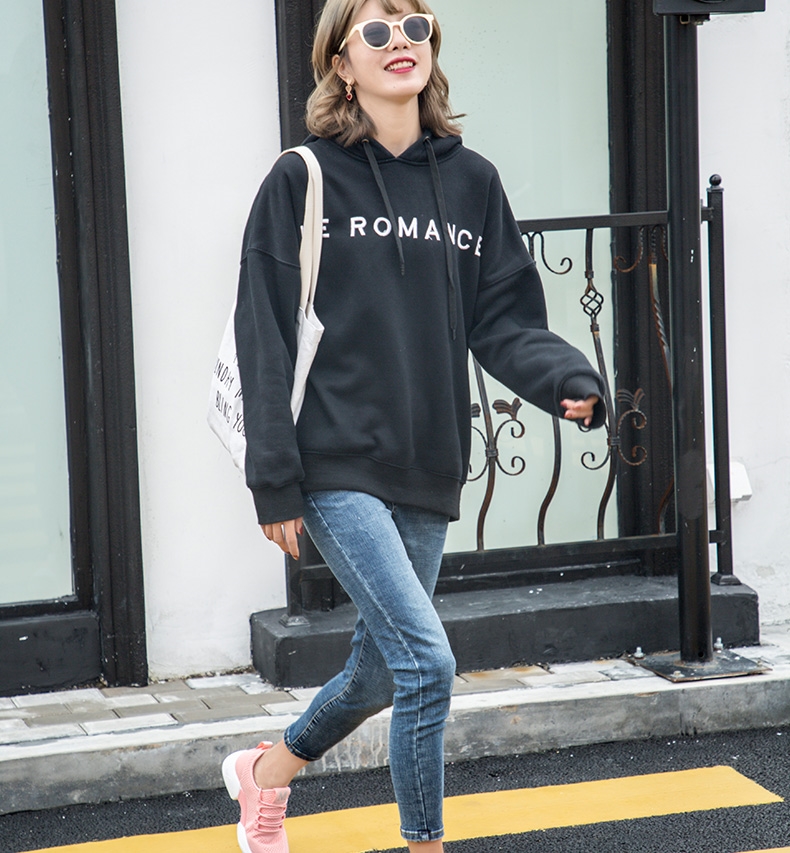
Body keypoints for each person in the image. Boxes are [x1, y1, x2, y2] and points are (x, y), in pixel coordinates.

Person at [221, 1, 606, 851]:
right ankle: (424, 842)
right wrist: (273, 476)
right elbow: (264, 331)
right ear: (341, 63)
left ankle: (265, 773)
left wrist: (567, 379)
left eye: (415, 26)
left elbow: (504, 320)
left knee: (379, 668)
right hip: (331, 461)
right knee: (427, 663)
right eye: (377, 30)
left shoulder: (472, 183)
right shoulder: (302, 178)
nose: (400, 42)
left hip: (429, 460)